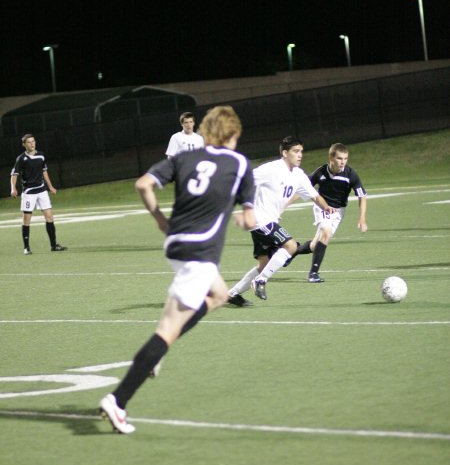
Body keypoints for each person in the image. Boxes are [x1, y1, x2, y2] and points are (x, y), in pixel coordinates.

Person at [100, 105, 256, 434]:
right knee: (166, 331)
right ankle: (118, 400)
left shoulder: (184, 158)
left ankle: (158, 353)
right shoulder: (240, 163)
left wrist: (159, 219)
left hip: (175, 243)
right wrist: (244, 219)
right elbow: (251, 218)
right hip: (200, 251)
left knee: (219, 294)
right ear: (234, 134)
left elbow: (143, 184)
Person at [227, 136, 334, 305]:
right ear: (285, 153)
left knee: (264, 264)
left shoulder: (299, 175)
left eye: (301, 152)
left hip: (266, 221)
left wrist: (327, 208)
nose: (300, 155)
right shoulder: (271, 169)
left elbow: (314, 196)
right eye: (295, 151)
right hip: (260, 219)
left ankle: (232, 294)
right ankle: (261, 281)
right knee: (291, 246)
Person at [291, 142, 367, 282]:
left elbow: (362, 196)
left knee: (316, 245)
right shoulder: (321, 172)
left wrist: (362, 219)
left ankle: (292, 251)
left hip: (339, 212)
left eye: (345, 158)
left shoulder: (351, 174)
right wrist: (284, 205)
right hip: (322, 206)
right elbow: (302, 189)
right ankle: (313, 274)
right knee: (326, 232)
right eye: (339, 158)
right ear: (331, 158)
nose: (343, 162)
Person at [10, 134, 67, 255]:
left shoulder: (41, 155)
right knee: (26, 220)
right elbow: (14, 174)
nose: (32, 144)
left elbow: (44, 171)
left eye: (33, 141)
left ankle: (53, 245)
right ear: (24, 144)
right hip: (29, 192)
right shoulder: (21, 158)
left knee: (50, 217)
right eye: (29, 142)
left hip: (42, 191)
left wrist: (50, 186)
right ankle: (26, 247)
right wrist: (13, 188)